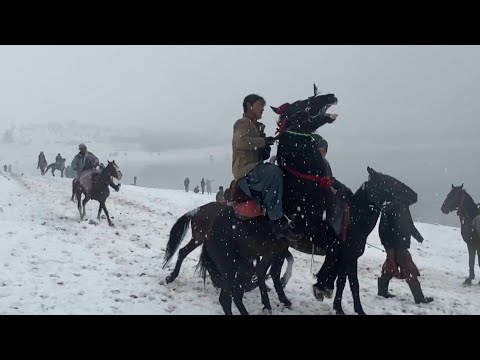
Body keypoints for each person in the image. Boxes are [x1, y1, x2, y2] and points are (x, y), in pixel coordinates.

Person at [232, 94, 288, 238]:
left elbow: (258, 152)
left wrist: (265, 147)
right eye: (259, 105)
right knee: (274, 172)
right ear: (249, 106)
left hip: (254, 168)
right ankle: (276, 218)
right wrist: (263, 141)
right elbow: (240, 141)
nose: (263, 109)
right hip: (246, 171)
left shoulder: (256, 127)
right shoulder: (243, 122)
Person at [377, 205, 433, 304]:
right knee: (409, 269)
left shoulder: (405, 208)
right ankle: (419, 297)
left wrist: (418, 236)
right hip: (394, 245)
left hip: (402, 244)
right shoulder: (388, 209)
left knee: (390, 266)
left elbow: (410, 225)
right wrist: (388, 246)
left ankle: (382, 291)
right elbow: (382, 229)